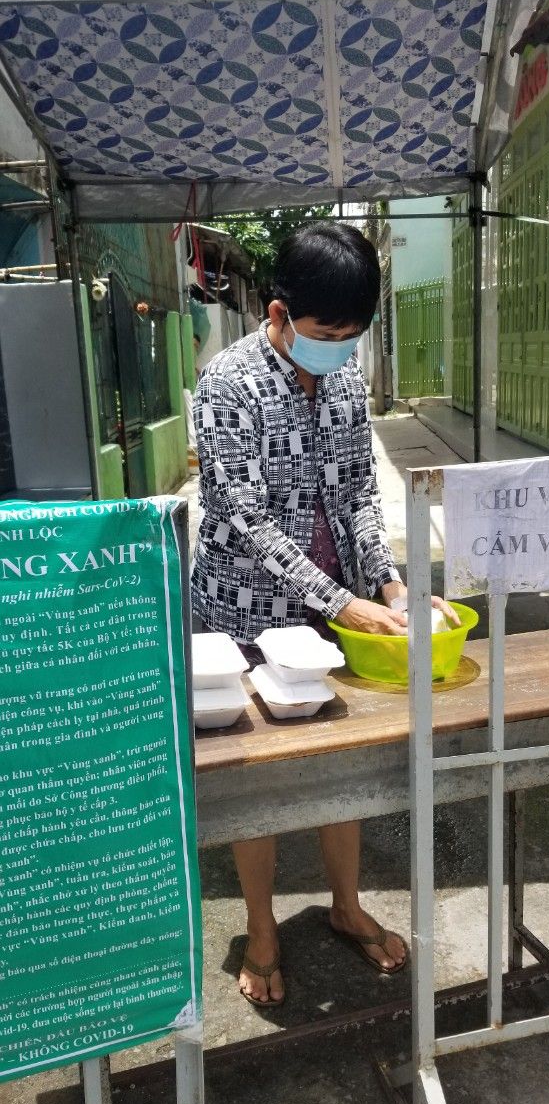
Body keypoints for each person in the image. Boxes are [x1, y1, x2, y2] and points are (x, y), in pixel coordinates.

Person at [192, 222, 455, 1006]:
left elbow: (359, 496)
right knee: (257, 779)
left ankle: (344, 905)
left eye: (352, 336)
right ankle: (262, 929)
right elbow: (242, 515)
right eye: (326, 334)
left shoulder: (341, 382)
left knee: (341, 762)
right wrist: (346, 602)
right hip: (243, 613)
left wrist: (391, 587)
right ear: (278, 314)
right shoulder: (228, 384)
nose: (340, 350)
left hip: (327, 612)